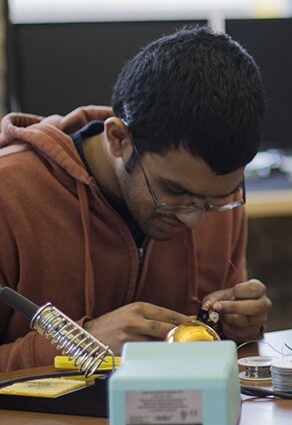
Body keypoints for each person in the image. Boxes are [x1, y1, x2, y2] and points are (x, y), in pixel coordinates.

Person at [0, 26, 271, 371]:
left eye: (216, 198)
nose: (195, 219)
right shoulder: (10, 196)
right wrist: (80, 344)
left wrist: (240, 329)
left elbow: (211, 357)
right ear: (117, 139)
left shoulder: (212, 197)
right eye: (174, 192)